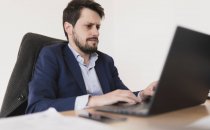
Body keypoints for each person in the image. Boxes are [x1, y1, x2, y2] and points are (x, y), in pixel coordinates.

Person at [26, 0, 157, 113]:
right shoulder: (51, 56)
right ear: (69, 28)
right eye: (88, 26)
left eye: (98, 27)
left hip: (107, 125)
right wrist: (93, 101)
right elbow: (36, 107)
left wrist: (142, 94)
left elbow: (122, 95)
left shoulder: (106, 61)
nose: (96, 32)